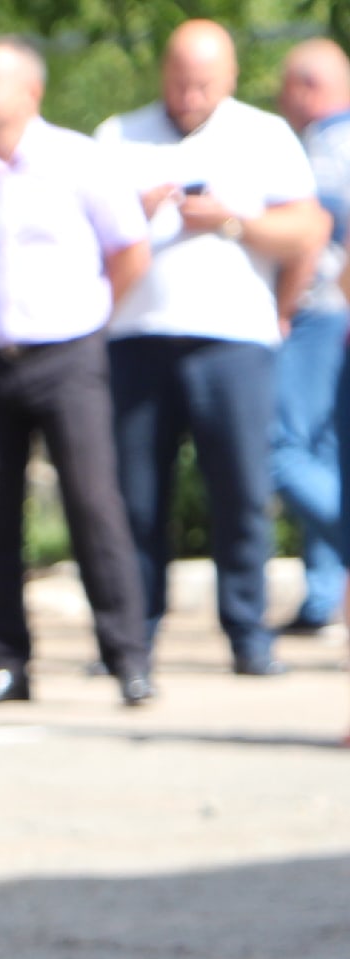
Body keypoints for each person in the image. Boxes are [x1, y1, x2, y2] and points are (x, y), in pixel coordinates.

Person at [0, 40, 155, 708]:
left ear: (30, 91)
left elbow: (129, 251)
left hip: (67, 355)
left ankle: (127, 658)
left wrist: (89, 314)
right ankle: (7, 661)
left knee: (94, 505)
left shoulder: (77, 161)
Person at [99, 19, 327, 676]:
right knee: (137, 498)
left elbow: (305, 229)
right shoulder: (118, 135)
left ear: (227, 79)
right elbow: (82, 236)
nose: (188, 95)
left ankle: (247, 633)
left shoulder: (263, 135)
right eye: (178, 81)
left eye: (202, 83)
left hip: (233, 340)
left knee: (241, 492)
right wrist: (130, 219)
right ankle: (133, 638)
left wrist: (232, 220)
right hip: (138, 339)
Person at [277, 40, 350, 637]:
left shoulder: (326, 148)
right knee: (325, 451)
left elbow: (318, 236)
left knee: (280, 447)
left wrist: (280, 304)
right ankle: (324, 593)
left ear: (307, 86)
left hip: (322, 315)